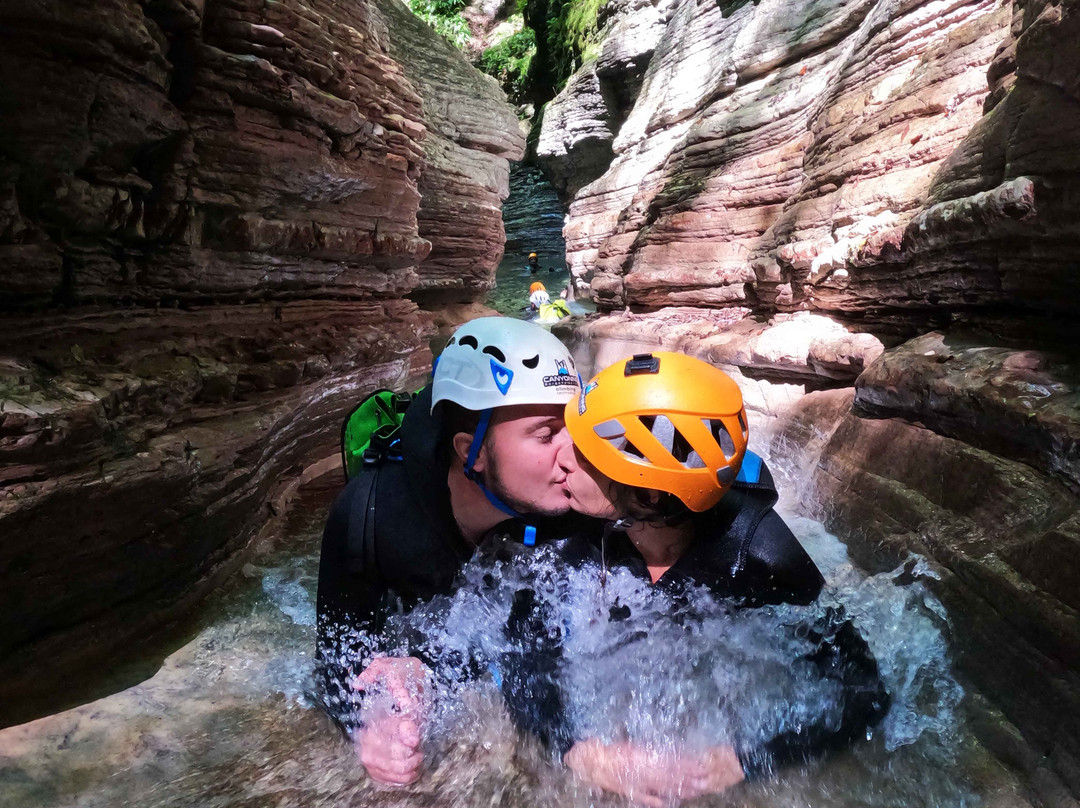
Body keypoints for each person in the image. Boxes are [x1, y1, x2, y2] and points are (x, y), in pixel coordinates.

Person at [491, 352, 887, 805]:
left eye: (586, 455)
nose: (560, 460)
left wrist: (746, 759)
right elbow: (518, 653)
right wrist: (577, 751)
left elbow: (865, 695)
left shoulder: (759, 559)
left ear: (650, 493)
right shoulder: (574, 522)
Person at [316, 317, 583, 786]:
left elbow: (537, 660)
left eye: (574, 426)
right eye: (546, 435)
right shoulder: (370, 517)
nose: (573, 455)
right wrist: (367, 721)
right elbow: (335, 658)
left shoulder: (567, 508)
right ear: (471, 451)